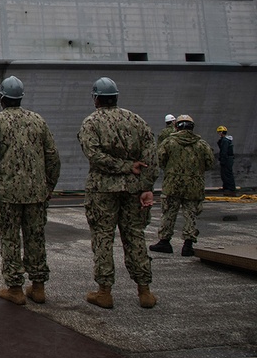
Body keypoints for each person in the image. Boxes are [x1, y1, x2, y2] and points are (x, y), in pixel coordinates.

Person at [0, 76, 60, 305]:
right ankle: (38, 286)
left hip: (7, 194)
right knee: (36, 238)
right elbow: (53, 157)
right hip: (36, 193)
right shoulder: (38, 121)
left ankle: (15, 288)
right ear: (21, 97)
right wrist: (49, 186)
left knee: (10, 239)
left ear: (1, 97)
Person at [77, 77, 158, 309]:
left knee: (103, 237)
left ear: (96, 99)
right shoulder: (136, 121)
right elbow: (151, 157)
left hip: (102, 190)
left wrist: (121, 167)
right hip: (133, 190)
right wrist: (146, 187)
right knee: (134, 235)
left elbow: (94, 155)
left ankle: (104, 292)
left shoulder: (91, 123)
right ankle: (145, 291)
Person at [149, 115, 214, 257]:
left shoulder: (169, 142)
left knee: (168, 213)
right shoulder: (202, 144)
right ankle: (188, 245)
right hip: (194, 186)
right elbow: (210, 163)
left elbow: (160, 160)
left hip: (173, 184)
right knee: (190, 215)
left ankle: (165, 242)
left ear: (176, 126)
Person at [216, 125, 236, 196]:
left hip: (226, 159)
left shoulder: (225, 141)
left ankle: (230, 189)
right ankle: (228, 188)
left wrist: (222, 160)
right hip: (228, 159)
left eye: (219, 132)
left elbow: (224, 151)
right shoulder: (226, 140)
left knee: (226, 174)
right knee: (226, 174)